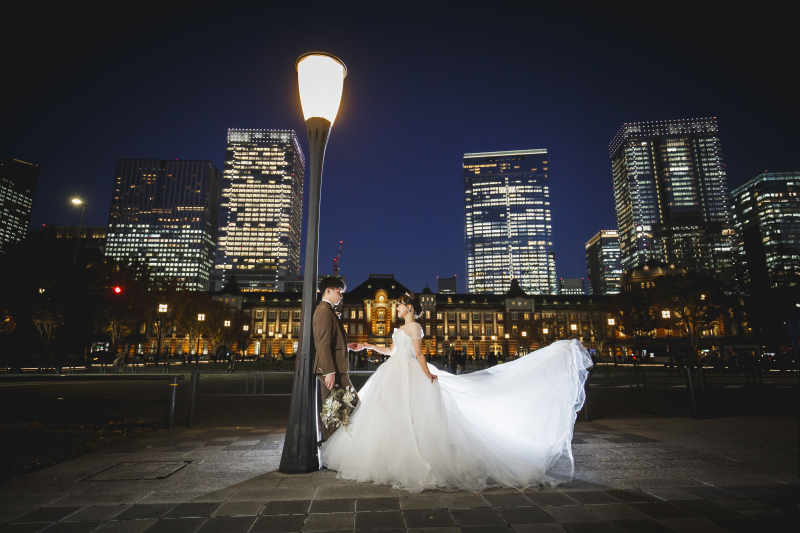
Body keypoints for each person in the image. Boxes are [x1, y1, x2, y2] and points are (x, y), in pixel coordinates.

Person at [320, 291, 592, 493]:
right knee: (390, 414)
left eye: (400, 305)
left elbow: (418, 355)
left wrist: (428, 375)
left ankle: (412, 458)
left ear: (410, 307)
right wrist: (366, 346)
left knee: (408, 414)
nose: (397, 307)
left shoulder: (414, 327)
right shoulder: (401, 328)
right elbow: (392, 350)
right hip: (392, 369)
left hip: (407, 372)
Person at [313, 276, 363, 442]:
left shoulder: (327, 310)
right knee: (341, 410)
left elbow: (331, 340)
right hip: (333, 370)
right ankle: (332, 452)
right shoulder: (323, 311)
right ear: (328, 291)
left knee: (335, 411)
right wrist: (329, 371)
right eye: (338, 292)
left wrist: (347, 345)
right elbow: (322, 343)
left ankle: (336, 448)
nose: (341, 295)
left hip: (335, 369)